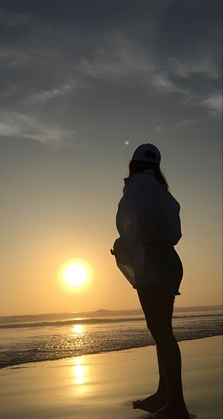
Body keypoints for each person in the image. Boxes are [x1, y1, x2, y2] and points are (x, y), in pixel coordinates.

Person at [112, 143, 190, 419]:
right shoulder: (162, 191)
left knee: (161, 332)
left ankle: (176, 404)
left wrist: (125, 243)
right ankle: (164, 395)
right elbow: (175, 231)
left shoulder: (137, 186)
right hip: (169, 259)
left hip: (152, 260)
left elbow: (140, 223)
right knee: (163, 330)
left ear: (133, 164)